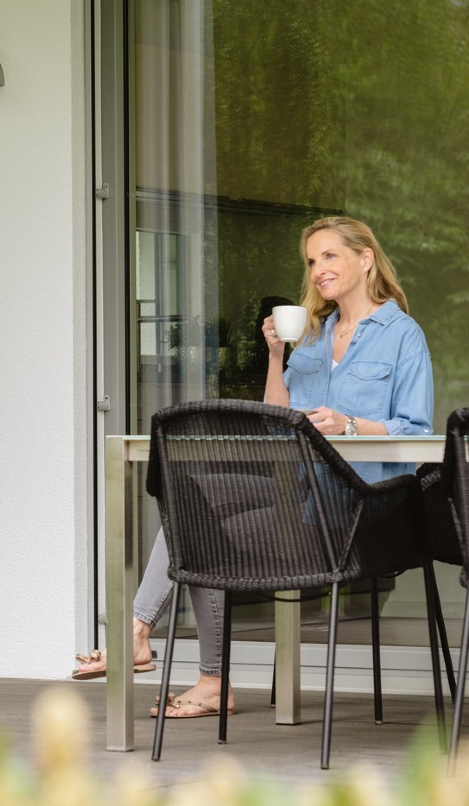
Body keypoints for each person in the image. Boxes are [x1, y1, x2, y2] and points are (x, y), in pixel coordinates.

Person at [73, 215, 434, 720]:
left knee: (198, 524)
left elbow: (417, 432)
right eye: (312, 260)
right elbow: (275, 418)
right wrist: (275, 354)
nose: (318, 270)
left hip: (358, 507)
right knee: (193, 508)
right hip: (297, 494)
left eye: (330, 256)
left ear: (365, 259)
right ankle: (157, 646)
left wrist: (350, 424)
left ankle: (176, 660)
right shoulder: (314, 335)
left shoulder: (401, 335)